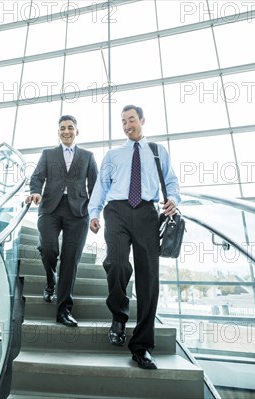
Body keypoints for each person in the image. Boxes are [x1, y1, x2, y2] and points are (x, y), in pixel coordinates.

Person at [88, 105, 180, 369]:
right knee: (116, 262)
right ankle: (119, 316)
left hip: (147, 214)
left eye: (131, 120)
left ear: (142, 120)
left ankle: (141, 346)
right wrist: (94, 213)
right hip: (116, 211)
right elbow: (101, 187)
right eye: (123, 122)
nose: (127, 125)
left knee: (148, 278)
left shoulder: (158, 152)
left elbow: (172, 183)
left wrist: (172, 199)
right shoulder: (113, 155)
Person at [25, 115, 98, 327]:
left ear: (77, 131)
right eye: (62, 128)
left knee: (70, 260)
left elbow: (95, 188)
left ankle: (64, 310)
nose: (66, 131)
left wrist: (94, 214)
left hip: (78, 212)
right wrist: (36, 192)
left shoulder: (87, 156)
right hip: (50, 208)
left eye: (70, 128)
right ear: (58, 132)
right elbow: (37, 177)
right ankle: (50, 281)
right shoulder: (48, 154)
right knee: (48, 249)